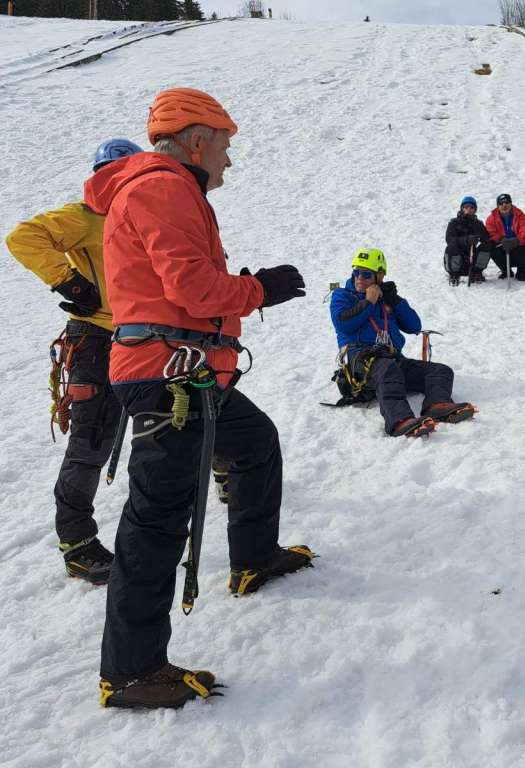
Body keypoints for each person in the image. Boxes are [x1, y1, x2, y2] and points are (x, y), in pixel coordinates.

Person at [83, 88, 313, 709]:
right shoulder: (161, 186)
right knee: (159, 516)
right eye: (225, 145)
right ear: (196, 141)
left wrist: (249, 292)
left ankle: (253, 557)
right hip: (167, 375)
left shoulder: (164, 186)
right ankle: (131, 671)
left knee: (255, 443)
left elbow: (182, 285)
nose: (229, 160)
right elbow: (191, 288)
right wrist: (257, 290)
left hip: (182, 372)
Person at [5, 138, 143, 585]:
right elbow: (23, 237)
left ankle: (220, 470)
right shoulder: (86, 215)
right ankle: (78, 544)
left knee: (175, 412)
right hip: (97, 340)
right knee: (91, 439)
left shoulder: (141, 217)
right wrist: (71, 283)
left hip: (138, 336)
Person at [330, 248, 475, 436]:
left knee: (441, 371)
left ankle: (437, 405)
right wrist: (368, 302)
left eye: (366, 274)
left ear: (380, 276)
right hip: (360, 362)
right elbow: (343, 322)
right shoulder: (343, 296)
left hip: (390, 358)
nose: (359, 278)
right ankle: (400, 420)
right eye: (356, 272)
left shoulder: (386, 299)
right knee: (387, 369)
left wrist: (396, 301)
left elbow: (414, 326)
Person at [444, 196, 491, 286]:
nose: (469, 209)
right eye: (466, 207)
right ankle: (454, 274)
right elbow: (449, 239)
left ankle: (477, 272)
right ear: (462, 208)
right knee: (451, 247)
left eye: (472, 207)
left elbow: (486, 239)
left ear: (475, 210)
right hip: (458, 258)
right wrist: (466, 240)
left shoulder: (478, 224)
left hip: (472, 258)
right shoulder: (454, 223)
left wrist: (478, 238)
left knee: (487, 246)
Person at [485, 193, 525, 281]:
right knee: (489, 245)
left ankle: (521, 272)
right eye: (501, 203)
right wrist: (501, 239)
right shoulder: (492, 218)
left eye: (506, 202)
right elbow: (490, 232)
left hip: (517, 246)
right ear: (498, 206)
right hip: (502, 247)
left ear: (511, 203)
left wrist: (516, 240)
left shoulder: (520, 215)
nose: (504, 205)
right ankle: (506, 271)